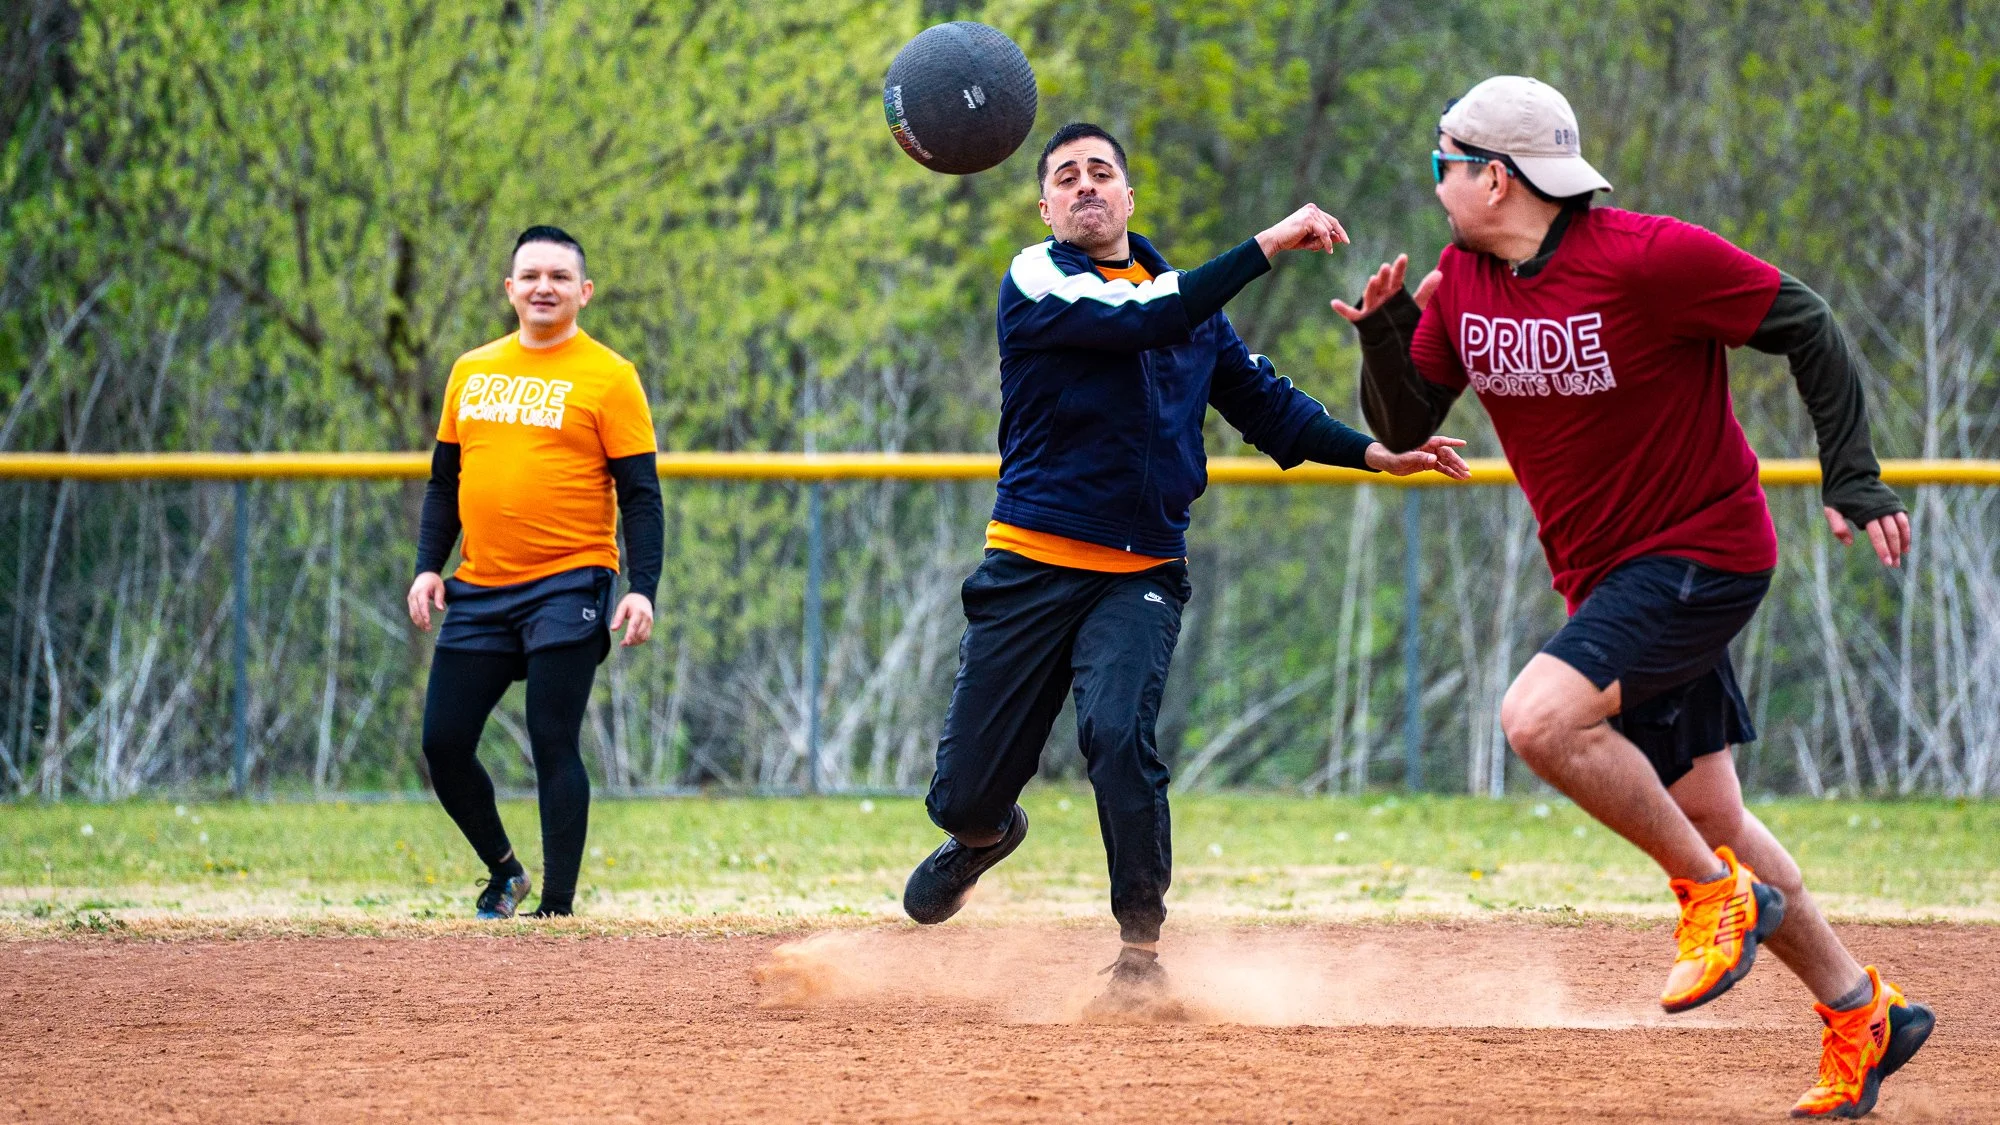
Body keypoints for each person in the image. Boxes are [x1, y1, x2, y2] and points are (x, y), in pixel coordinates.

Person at [1334, 76, 1932, 1118]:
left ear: (1496, 177)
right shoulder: (1462, 279)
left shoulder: (1646, 258)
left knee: (1538, 719)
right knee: (1710, 813)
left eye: (1443, 162)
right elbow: (1407, 420)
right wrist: (1384, 334)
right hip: (1606, 577)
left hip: (1701, 551)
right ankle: (1859, 1010)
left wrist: (1850, 475)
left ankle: (1710, 897)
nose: (1433, 182)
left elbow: (1808, 321)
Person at [903, 122, 1468, 1015]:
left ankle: (1140, 950)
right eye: (1066, 177)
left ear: (1128, 197)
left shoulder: (1188, 308)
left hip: (1141, 571)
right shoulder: (1037, 279)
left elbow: (1269, 408)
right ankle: (983, 835)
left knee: (1118, 735)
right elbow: (1146, 318)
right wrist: (1266, 243)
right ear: (1045, 207)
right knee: (964, 798)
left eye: (1101, 172)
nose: (1085, 186)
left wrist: (1376, 453)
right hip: (1030, 565)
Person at [406, 225, 663, 920]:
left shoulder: (610, 377)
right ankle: (505, 872)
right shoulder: (471, 370)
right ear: (510, 289)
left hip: (570, 580)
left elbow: (641, 494)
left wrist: (642, 587)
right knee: (443, 743)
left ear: (584, 291)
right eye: (530, 275)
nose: (543, 287)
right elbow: (444, 482)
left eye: (559, 276)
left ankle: (557, 908)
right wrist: (429, 567)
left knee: (552, 736)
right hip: (481, 585)